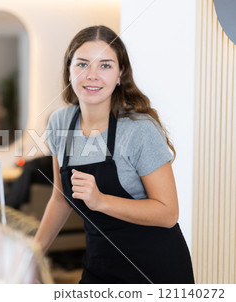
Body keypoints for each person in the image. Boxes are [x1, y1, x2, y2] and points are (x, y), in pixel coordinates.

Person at [34, 26, 194, 284]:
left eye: (105, 66)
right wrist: (34, 252)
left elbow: (168, 213)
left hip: (154, 269)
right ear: (69, 70)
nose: (92, 76)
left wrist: (101, 201)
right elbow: (61, 198)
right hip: (99, 265)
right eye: (83, 64)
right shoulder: (59, 123)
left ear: (121, 73)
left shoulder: (139, 129)